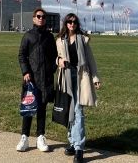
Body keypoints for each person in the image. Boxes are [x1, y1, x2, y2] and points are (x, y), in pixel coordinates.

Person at [56, 13, 101, 163]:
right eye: (69, 21)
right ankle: (72, 142)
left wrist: (95, 78)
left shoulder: (83, 39)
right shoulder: (60, 40)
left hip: (81, 77)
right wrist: (59, 60)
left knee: (78, 112)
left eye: (74, 22)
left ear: (77, 24)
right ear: (65, 23)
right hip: (66, 78)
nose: (72, 24)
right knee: (68, 112)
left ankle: (79, 148)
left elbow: (90, 60)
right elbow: (55, 57)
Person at [17, 7, 57, 152]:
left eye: (43, 17)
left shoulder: (49, 37)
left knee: (41, 108)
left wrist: (52, 69)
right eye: (38, 16)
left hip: (45, 78)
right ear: (34, 18)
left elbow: (54, 56)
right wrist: (25, 71)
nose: (41, 19)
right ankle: (24, 137)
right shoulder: (28, 36)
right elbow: (22, 55)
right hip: (31, 78)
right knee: (28, 108)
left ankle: (40, 136)